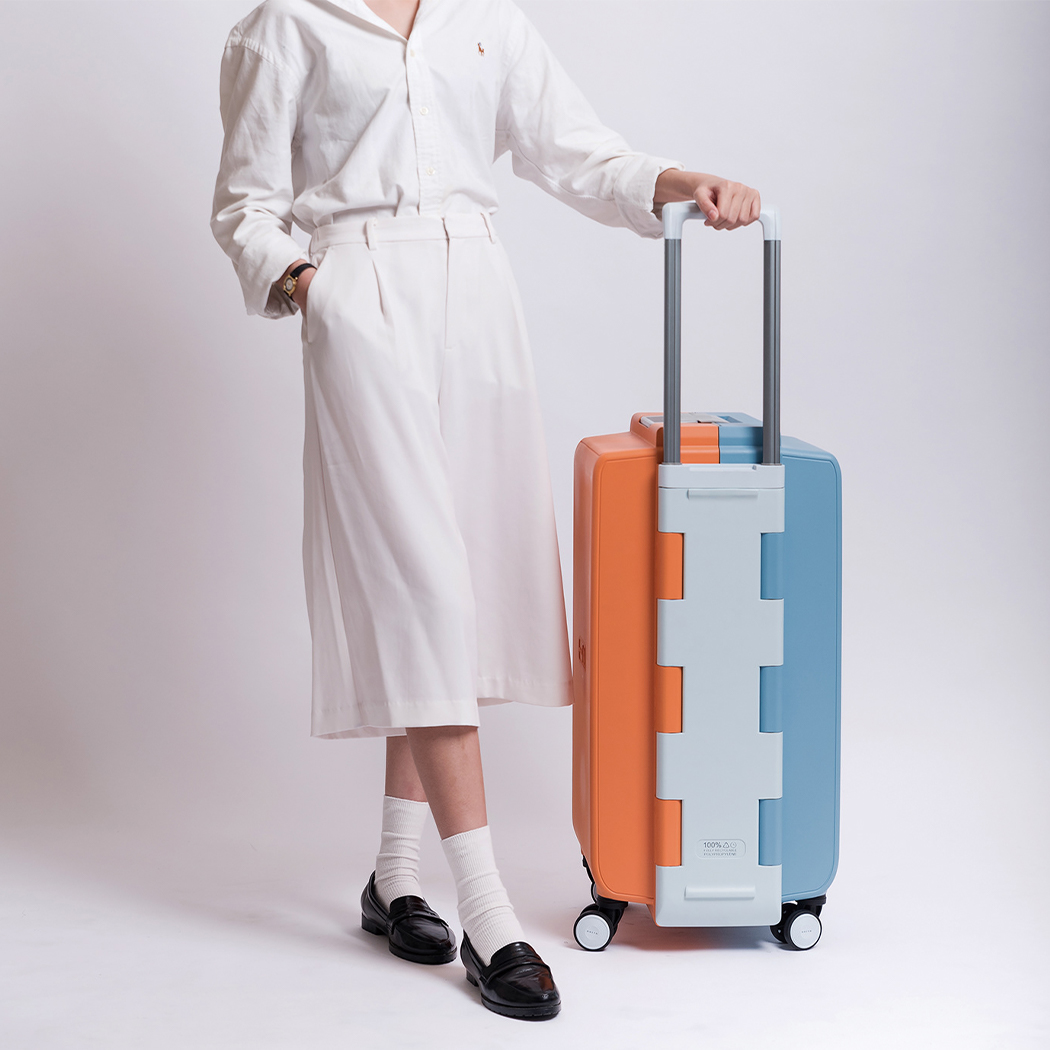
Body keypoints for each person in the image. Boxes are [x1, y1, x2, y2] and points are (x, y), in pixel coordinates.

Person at [211, 0, 760, 1021]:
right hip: (360, 290)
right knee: (423, 588)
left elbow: (574, 149)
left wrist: (679, 181)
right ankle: (489, 912)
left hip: (479, 298)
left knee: (458, 588)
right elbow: (243, 204)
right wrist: (312, 286)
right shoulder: (286, 22)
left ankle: (394, 875)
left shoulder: (486, 17)